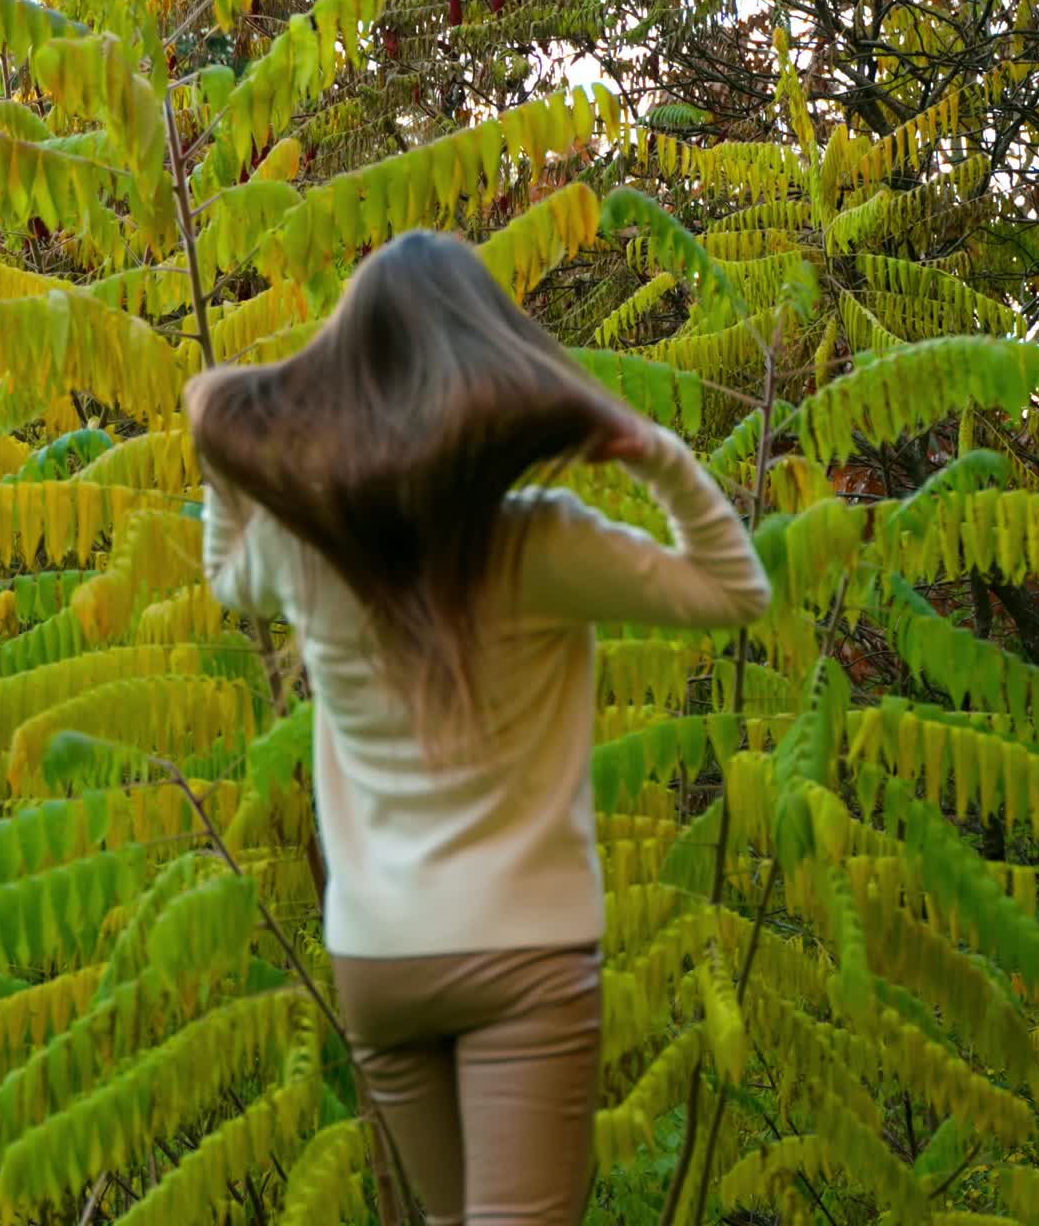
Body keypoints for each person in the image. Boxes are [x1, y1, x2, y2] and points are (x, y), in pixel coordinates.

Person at [184, 229, 772, 1226]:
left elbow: (223, 572)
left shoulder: (303, 547)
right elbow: (733, 590)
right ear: (493, 370)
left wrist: (232, 461)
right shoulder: (542, 541)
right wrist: (658, 459)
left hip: (377, 963)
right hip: (523, 957)